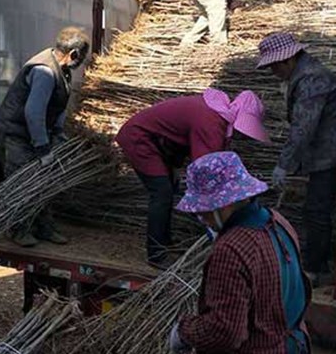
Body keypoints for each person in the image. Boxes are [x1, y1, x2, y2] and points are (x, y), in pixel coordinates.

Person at [170, 151, 311, 354]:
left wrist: (185, 332)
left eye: (203, 210)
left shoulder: (232, 250)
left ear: (225, 204)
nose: (201, 217)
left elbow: (225, 331)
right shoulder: (278, 222)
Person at [115, 88, 270, 269]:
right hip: (139, 138)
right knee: (161, 193)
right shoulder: (212, 122)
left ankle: (165, 244)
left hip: (159, 143)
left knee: (169, 189)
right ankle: (156, 255)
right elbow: (205, 174)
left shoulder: (217, 115)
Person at [256, 32, 336, 286]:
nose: (273, 71)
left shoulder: (311, 80)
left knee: (317, 211)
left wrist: (284, 165)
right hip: (324, 153)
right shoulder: (306, 75)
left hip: (329, 155)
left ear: (288, 60)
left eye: (274, 66)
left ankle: (315, 270)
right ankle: (316, 265)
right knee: (315, 210)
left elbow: (302, 129)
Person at [0, 26, 90, 247]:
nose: (81, 63)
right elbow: (34, 112)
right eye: (82, 58)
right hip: (19, 134)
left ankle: (45, 228)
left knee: (44, 182)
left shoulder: (62, 69)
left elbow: (57, 106)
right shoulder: (45, 71)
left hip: (38, 132)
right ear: (74, 54)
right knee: (22, 183)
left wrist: (58, 133)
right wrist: (42, 147)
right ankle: (18, 230)